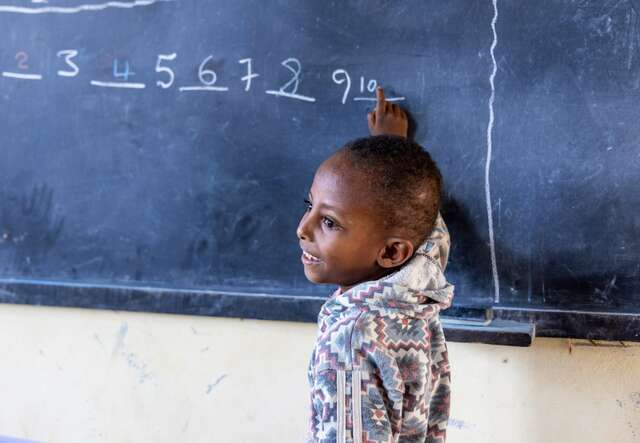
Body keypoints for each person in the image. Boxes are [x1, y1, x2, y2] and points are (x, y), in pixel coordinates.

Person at [298, 87, 454, 443]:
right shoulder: (416, 284)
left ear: (392, 253)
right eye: (309, 206)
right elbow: (431, 234)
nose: (302, 228)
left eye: (330, 222)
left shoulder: (350, 343)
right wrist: (390, 147)